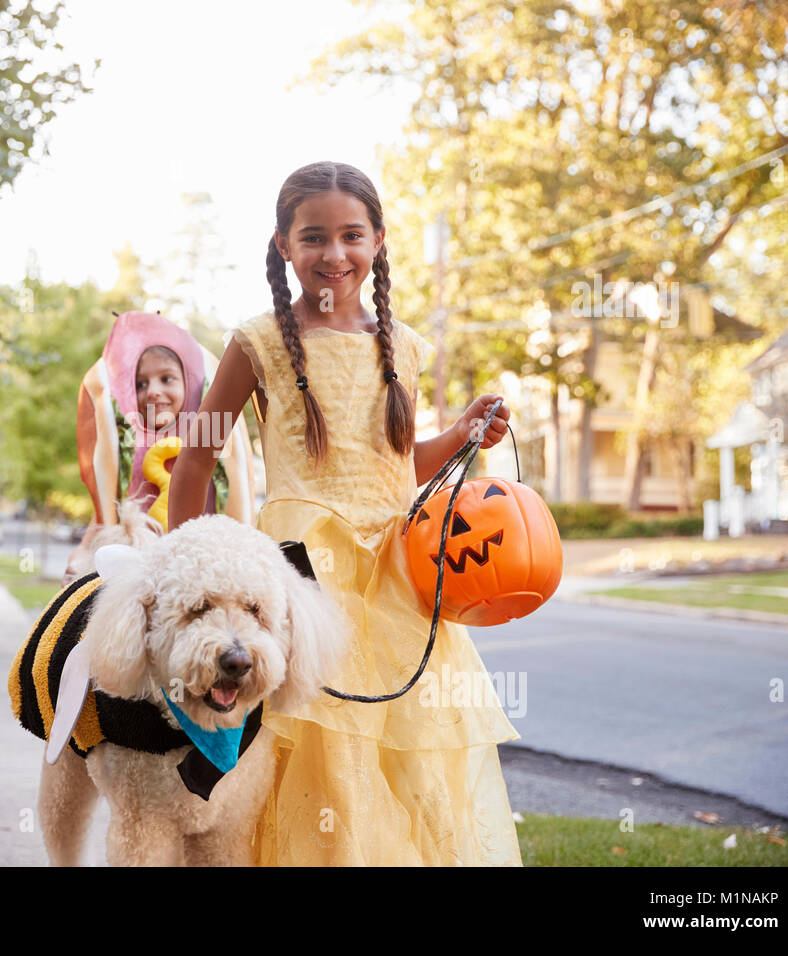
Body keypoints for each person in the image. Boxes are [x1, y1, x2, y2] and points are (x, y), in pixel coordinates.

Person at [168, 161, 523, 866]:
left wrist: (461, 435)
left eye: (351, 235)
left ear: (379, 241)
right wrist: (184, 571)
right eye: (314, 237)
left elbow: (393, 465)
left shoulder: (407, 347)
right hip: (304, 578)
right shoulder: (258, 341)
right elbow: (197, 460)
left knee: (413, 757)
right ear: (284, 245)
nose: (335, 254)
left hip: (396, 579)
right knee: (312, 750)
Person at [63, 311, 257, 581]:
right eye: (140, 384)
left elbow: (241, 512)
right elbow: (106, 514)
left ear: (190, 387)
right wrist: (83, 552)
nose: (153, 391)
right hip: (139, 572)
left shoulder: (210, 435)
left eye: (166, 379)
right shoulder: (124, 448)